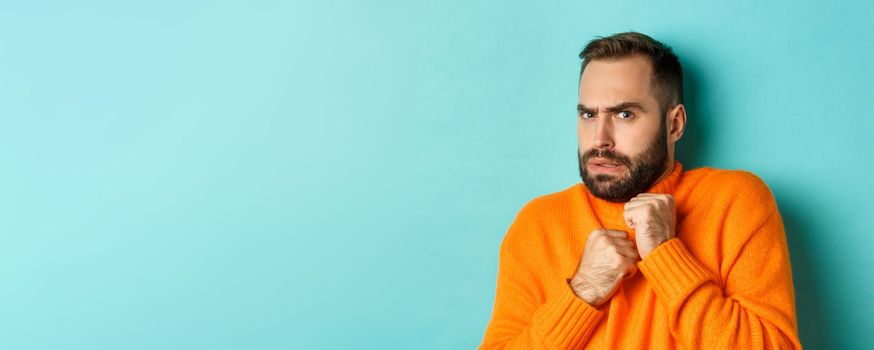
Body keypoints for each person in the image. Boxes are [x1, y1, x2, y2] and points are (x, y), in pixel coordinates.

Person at [479, 32, 802, 349]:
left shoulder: (735, 200)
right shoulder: (538, 224)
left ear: (674, 125)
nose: (600, 139)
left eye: (624, 114)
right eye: (588, 115)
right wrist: (583, 291)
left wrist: (666, 256)